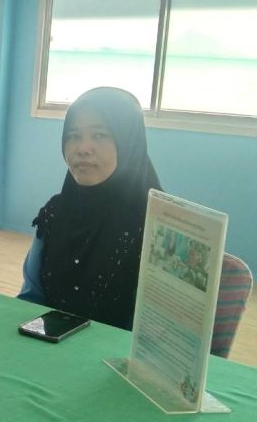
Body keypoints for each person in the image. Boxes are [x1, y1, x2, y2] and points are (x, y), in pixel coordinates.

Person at [19, 87, 162, 330]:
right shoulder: (56, 213)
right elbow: (31, 298)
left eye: (99, 135)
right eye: (73, 136)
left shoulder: (157, 227)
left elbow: (159, 332)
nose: (83, 148)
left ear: (128, 142)